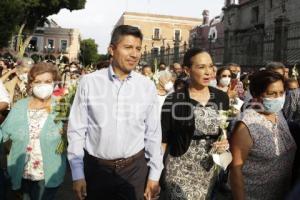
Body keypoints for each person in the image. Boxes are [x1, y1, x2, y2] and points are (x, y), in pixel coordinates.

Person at [67, 25, 163, 200]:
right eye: (128, 47)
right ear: (112, 49)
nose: (134, 54)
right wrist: (77, 173)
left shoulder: (146, 86)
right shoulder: (89, 83)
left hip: (134, 170)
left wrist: (154, 175)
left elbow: (153, 133)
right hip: (96, 170)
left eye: (138, 48)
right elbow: (77, 130)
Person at [161, 48, 230, 199]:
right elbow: (163, 140)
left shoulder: (221, 97)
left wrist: (224, 142)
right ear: (187, 70)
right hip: (180, 169)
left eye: (211, 66)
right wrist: (155, 174)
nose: (208, 72)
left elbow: (224, 130)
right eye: (201, 67)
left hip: (209, 169)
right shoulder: (174, 100)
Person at [0, 62, 66, 200]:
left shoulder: (61, 106)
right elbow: (3, 133)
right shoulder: (20, 106)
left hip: (47, 175)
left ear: (54, 83)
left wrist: (66, 134)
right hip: (21, 172)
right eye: (38, 81)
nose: (43, 85)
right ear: (31, 84)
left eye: (48, 81)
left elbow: (70, 135)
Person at [230, 70, 296, 200]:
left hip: (282, 192)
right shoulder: (246, 125)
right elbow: (235, 169)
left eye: (281, 93)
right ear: (256, 94)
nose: (278, 98)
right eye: (272, 94)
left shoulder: (278, 114)